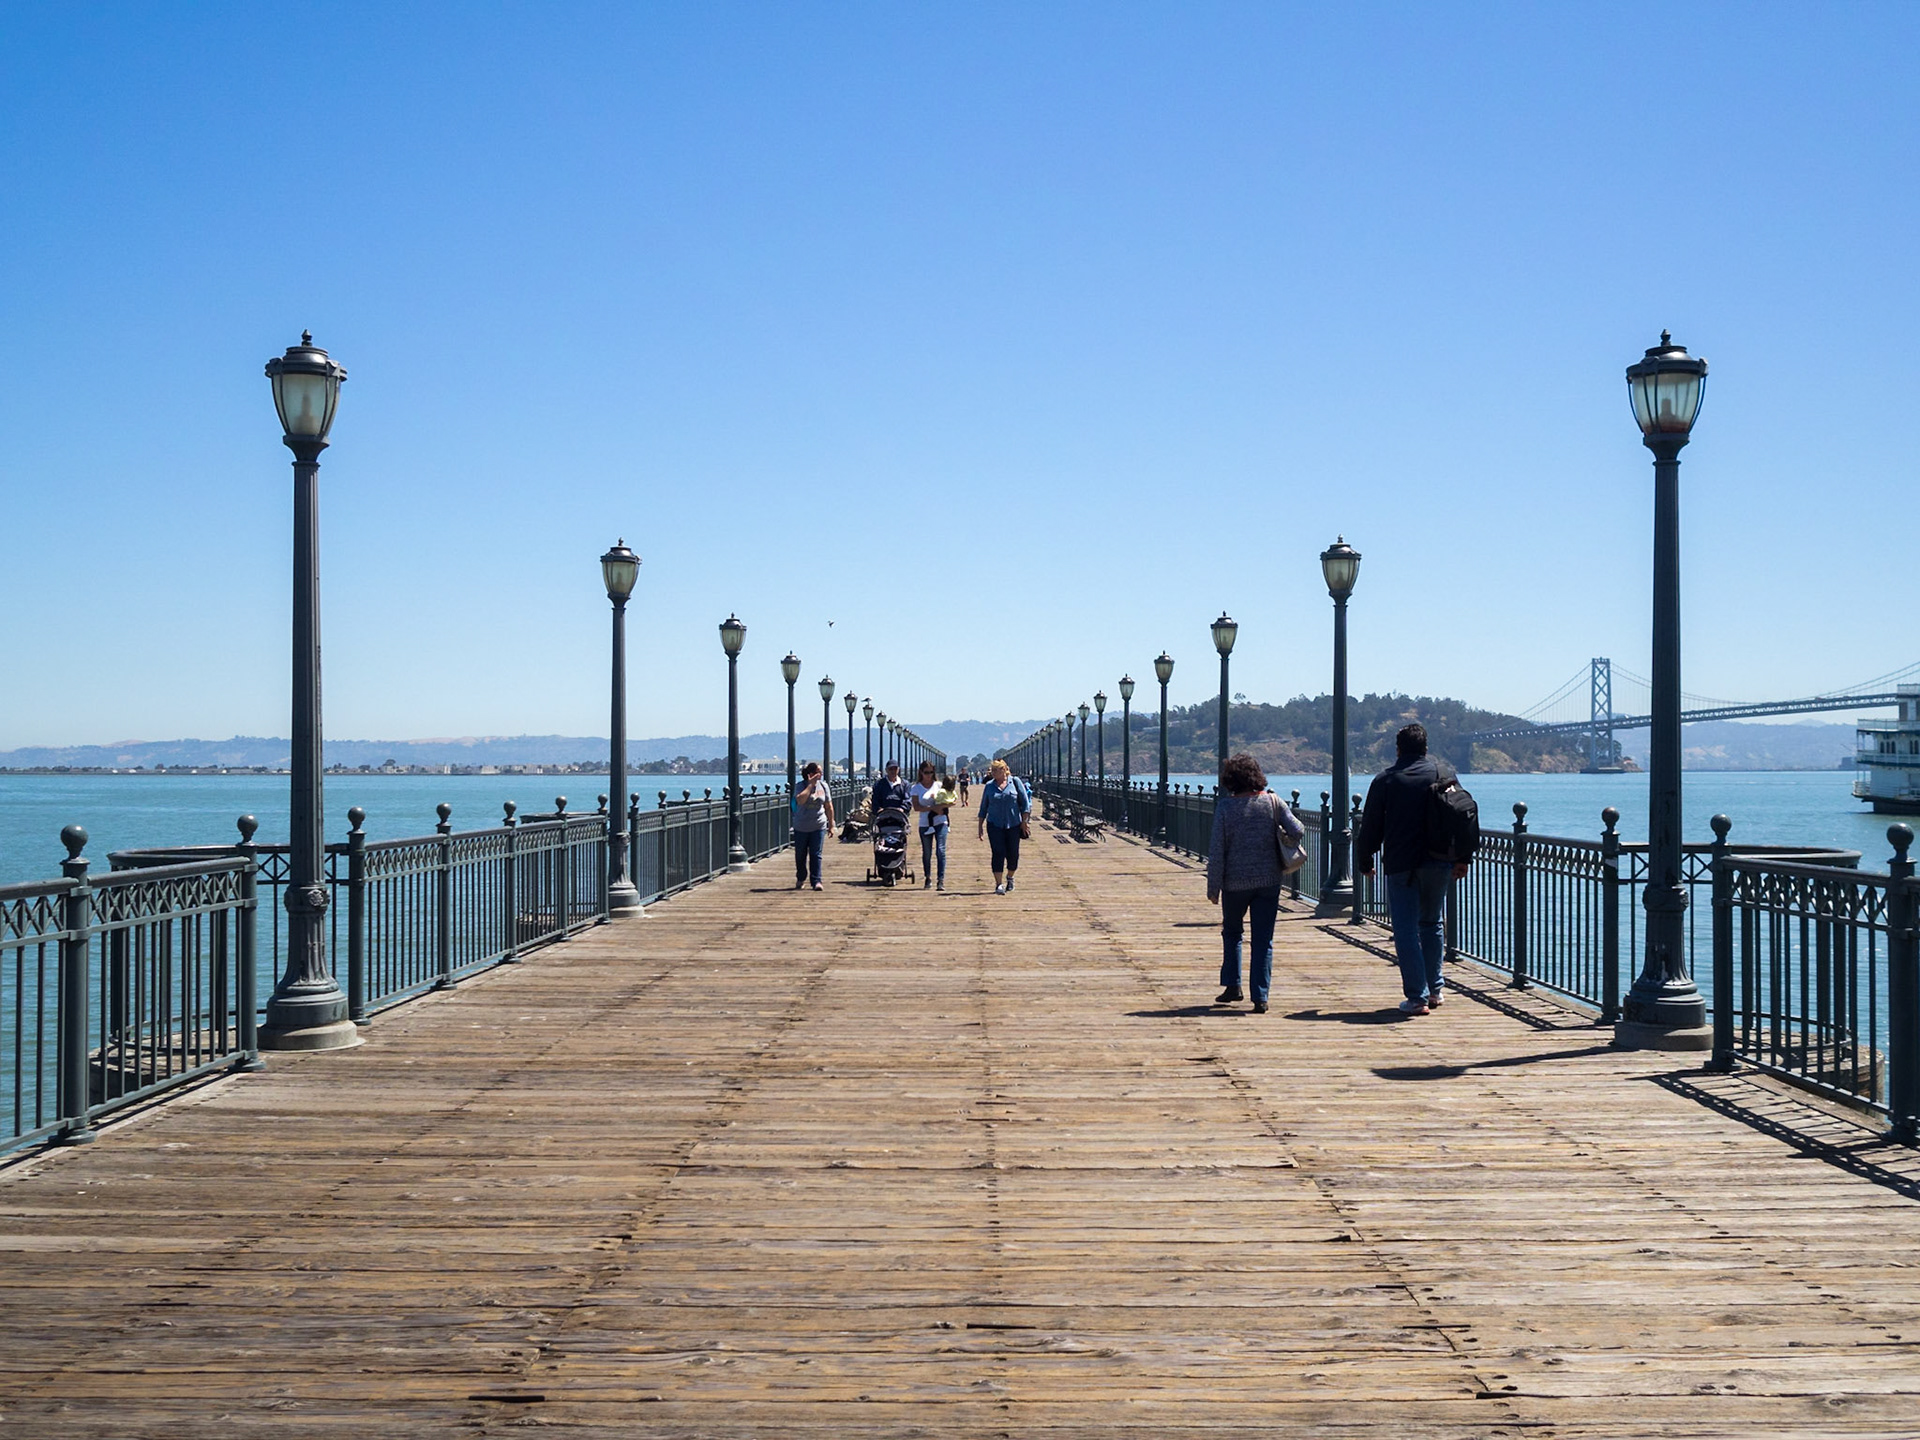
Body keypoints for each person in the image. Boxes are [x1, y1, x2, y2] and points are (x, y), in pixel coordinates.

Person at [1356, 722, 1471, 1016]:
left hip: (1401, 864)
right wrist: (1463, 857)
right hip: (1439, 861)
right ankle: (1435, 990)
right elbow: (1462, 815)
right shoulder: (1443, 775)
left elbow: (1371, 826)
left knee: (1406, 929)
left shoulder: (1386, 780)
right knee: (1432, 924)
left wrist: (1365, 859)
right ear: (1426, 749)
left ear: (1397, 749)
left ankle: (1417, 998)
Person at [1205, 753, 1305, 1014]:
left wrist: (1213, 887)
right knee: (1263, 940)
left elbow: (1217, 850)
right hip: (1268, 881)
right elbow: (1298, 829)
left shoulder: (1226, 808)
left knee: (1232, 933)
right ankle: (1260, 997)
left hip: (1234, 883)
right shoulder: (1272, 801)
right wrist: (1284, 839)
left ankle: (1232, 985)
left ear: (1230, 780)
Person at [976, 758, 1030, 894]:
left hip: (1013, 824)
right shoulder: (989, 786)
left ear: (1004, 770)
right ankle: (998, 883)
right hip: (995, 824)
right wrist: (980, 826)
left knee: (1013, 854)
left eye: (996, 770)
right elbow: (984, 807)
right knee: (998, 852)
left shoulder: (1015, 782)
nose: (993, 773)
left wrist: (1024, 822)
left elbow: (1025, 804)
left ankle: (1010, 877)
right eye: (992, 770)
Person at [909, 761, 954, 891]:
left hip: (941, 821)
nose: (929, 775)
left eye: (931, 772)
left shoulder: (939, 785)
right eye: (926, 772)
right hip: (924, 823)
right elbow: (916, 807)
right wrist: (933, 808)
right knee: (927, 852)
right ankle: (928, 877)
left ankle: (941, 880)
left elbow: (951, 800)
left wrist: (942, 807)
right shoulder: (916, 788)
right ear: (921, 773)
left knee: (940, 850)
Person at [791, 761, 835, 891]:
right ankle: (801, 877)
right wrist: (810, 785)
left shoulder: (824, 786)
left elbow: (828, 806)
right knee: (800, 854)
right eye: (818, 772)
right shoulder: (800, 786)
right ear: (811, 774)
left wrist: (831, 824)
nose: (820, 775)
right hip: (801, 825)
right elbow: (800, 800)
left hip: (818, 825)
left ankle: (816, 880)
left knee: (816, 854)